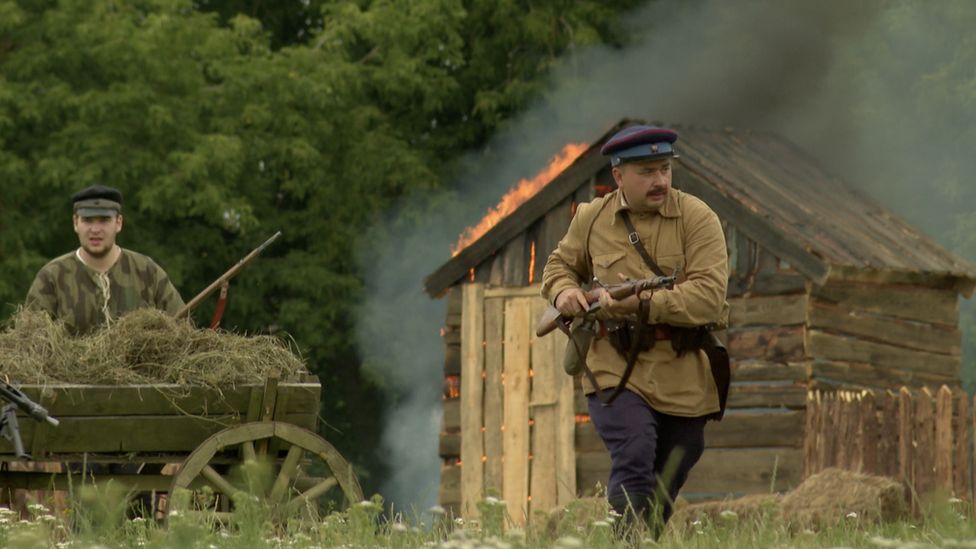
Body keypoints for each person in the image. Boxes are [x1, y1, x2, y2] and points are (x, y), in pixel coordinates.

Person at [541, 124, 730, 537]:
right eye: (647, 171)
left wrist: (643, 303)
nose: (659, 180)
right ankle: (628, 543)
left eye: (664, 168)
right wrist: (565, 293)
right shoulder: (591, 218)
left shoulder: (698, 218)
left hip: (680, 364)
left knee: (679, 456)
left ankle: (642, 537)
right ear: (619, 176)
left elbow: (708, 299)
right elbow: (558, 267)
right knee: (636, 448)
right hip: (614, 362)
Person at [26, 184, 184, 334]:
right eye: (87, 220)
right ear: (75, 223)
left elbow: (183, 330)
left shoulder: (148, 272)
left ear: (118, 223)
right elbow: (29, 343)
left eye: (104, 220)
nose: (95, 230)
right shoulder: (52, 277)